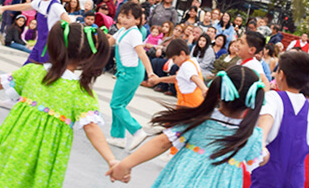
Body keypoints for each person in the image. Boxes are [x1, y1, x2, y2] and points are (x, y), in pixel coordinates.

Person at [0, 23, 118, 187]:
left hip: (10, 147)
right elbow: (92, 128)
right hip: (43, 163)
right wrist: (111, 160)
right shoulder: (81, 92)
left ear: (54, 47)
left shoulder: (33, 72)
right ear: (87, 55)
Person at [106, 66, 268, 187]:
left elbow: (162, 142)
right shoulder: (251, 136)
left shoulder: (198, 120)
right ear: (253, 101)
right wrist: (263, 149)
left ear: (217, 92)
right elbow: (260, 158)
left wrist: (125, 164)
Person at [250, 51, 309, 187]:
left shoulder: (273, 99)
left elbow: (265, 121)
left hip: (267, 176)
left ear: (281, 75)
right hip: (295, 179)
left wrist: (261, 142)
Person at [104, 3, 158, 148]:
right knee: (120, 104)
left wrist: (150, 72)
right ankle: (118, 137)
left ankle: (137, 131)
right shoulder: (123, 31)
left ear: (137, 20)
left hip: (131, 73)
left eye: (128, 17)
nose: (124, 19)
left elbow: (142, 54)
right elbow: (110, 42)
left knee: (116, 105)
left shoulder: (134, 34)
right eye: (122, 16)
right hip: (127, 72)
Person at [147, 39, 208, 108]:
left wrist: (204, 89)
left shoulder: (186, 65)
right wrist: (159, 80)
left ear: (182, 54)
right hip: (190, 103)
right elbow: (178, 78)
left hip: (189, 104)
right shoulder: (191, 61)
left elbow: (194, 77)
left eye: (174, 59)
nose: (174, 62)